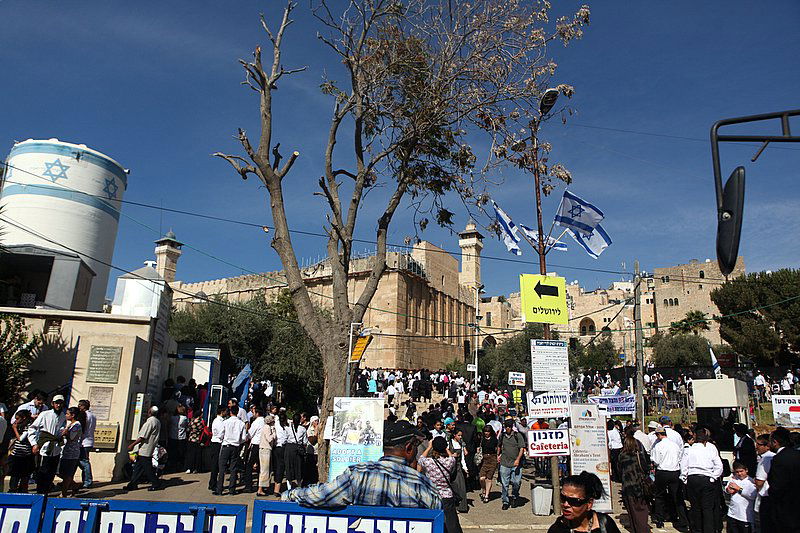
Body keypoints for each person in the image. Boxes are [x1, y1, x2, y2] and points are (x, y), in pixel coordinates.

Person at [283, 420, 440, 509]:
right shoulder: (423, 485)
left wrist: (290, 494)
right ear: (408, 448)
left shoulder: (358, 474)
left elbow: (322, 495)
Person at [548, 472, 622, 533]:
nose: (565, 504)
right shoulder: (557, 529)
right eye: (563, 498)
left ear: (589, 503)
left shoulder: (605, 524)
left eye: (573, 501)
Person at [681, 427, 724, 533]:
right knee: (707, 508)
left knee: (695, 507)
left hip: (693, 478)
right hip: (706, 479)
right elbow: (719, 465)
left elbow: (683, 465)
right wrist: (714, 477)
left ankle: (697, 529)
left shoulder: (689, 450)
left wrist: (685, 478)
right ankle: (708, 529)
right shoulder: (710, 449)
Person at [418, 436, 462, 533]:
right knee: (451, 522)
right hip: (447, 495)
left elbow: (421, 459)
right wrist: (446, 448)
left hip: (431, 495)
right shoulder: (450, 461)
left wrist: (429, 447)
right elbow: (451, 457)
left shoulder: (428, 462)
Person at [651, 426, 689, 530]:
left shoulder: (658, 446)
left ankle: (659, 519)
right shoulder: (675, 445)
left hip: (662, 471)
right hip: (675, 472)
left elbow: (656, 461)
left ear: (659, 435)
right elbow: (680, 457)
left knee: (659, 496)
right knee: (677, 496)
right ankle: (681, 519)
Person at [765, 427, 800, 532]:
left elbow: (777, 486)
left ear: (775, 442)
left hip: (786, 507)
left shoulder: (779, 459)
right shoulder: (796, 454)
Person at [30, 394, 66, 494]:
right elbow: (33, 428)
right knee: (43, 471)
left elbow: (60, 429)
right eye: (56, 403)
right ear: (52, 404)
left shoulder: (62, 416)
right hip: (45, 447)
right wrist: (34, 443)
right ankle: (40, 493)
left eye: (60, 403)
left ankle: (46, 493)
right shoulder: (45, 414)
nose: (58, 405)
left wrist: (62, 433)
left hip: (56, 448)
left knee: (51, 473)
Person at [617, 431, 651, 533]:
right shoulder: (638, 455)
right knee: (642, 510)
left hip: (627, 486)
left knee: (632, 511)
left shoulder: (621, 456)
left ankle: (636, 529)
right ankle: (643, 529)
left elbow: (619, 471)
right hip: (639, 485)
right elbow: (645, 468)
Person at [125, 406, 162, 491]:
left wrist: (132, 444)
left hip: (145, 448)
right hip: (148, 447)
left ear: (149, 412)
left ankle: (155, 482)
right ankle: (133, 484)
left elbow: (143, 436)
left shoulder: (150, 422)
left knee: (147, 467)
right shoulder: (157, 421)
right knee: (138, 467)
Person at [216, 404, 247, 495]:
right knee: (233, 468)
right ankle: (232, 489)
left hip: (226, 445)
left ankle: (219, 489)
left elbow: (221, 434)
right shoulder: (241, 423)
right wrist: (238, 441)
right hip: (235, 447)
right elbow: (244, 438)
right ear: (237, 412)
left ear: (230, 412)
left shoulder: (225, 422)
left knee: (222, 468)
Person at [497, 418, 525, 510]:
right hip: (505, 463)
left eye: (509, 427)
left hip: (516, 463)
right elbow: (499, 446)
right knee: (504, 484)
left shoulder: (518, 436)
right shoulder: (503, 436)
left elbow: (521, 448)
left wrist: (518, 459)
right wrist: (498, 455)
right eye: (506, 427)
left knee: (516, 482)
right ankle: (505, 501)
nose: (508, 429)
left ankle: (514, 496)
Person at [58, 406, 84, 497]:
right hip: (65, 451)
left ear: (73, 415)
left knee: (67, 473)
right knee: (61, 472)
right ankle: (74, 485)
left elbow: (72, 437)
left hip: (72, 452)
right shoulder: (70, 424)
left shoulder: (77, 425)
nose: (66, 415)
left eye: (68, 414)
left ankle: (64, 492)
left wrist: (66, 432)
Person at [7, 410, 35, 493]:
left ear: (24, 418)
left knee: (24, 475)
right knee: (14, 474)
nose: (16, 421)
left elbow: (21, 439)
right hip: (16, 454)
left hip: (24, 455)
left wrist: (15, 429)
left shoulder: (29, 426)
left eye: (18, 419)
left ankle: (22, 490)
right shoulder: (20, 426)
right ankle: (13, 489)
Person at [725, 461, 756, 533]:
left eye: (741, 471)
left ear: (746, 470)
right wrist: (728, 490)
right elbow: (727, 489)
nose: (739, 474)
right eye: (737, 472)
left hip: (745, 517)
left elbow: (752, 495)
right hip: (732, 514)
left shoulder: (750, 482)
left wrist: (739, 489)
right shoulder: (734, 479)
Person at [753, 433, 774, 532]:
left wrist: (755, 482)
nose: (756, 447)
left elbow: (759, 482)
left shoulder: (766, 459)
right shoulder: (774, 456)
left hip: (765, 495)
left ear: (767, 446)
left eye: (759, 444)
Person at [243, 407, 265, 492]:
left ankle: (248, 486)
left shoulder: (257, 422)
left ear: (257, 413)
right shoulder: (265, 421)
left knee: (249, 465)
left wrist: (246, 438)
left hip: (255, 444)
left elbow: (250, 433)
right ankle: (261, 486)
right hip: (263, 445)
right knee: (261, 466)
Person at [283, 412, 308, 489]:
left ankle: (289, 488)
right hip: (298, 449)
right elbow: (305, 441)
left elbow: (284, 440)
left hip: (289, 449)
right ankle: (299, 487)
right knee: (298, 468)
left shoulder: (287, 429)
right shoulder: (303, 429)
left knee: (289, 467)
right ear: (300, 420)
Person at [77, 399, 96, 489]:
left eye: (80, 405)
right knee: (84, 461)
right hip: (89, 441)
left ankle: (87, 480)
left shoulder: (84, 415)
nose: (78, 407)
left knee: (84, 462)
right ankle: (85, 480)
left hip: (84, 441)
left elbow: (83, 428)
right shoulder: (93, 415)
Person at [208, 406, 227, 491]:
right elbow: (220, 433)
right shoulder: (219, 421)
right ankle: (213, 483)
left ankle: (213, 482)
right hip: (217, 443)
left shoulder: (217, 420)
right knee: (215, 464)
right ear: (222, 412)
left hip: (216, 442)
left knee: (215, 464)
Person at [257, 414, 277, 497]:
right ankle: (260, 489)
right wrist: (274, 433)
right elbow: (270, 438)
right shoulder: (267, 428)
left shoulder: (265, 427)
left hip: (263, 449)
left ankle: (263, 487)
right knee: (265, 470)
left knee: (265, 470)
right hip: (265, 449)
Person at [478, 425, 498, 503]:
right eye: (485, 431)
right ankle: (484, 488)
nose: (487, 433)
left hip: (492, 458)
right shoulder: (482, 439)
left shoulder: (494, 439)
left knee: (489, 478)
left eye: (488, 431)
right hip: (484, 459)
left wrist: (498, 456)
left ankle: (486, 495)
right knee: (482, 478)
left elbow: (497, 448)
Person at [185, 409, 206, 474]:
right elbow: (202, 430)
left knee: (190, 454)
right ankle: (195, 468)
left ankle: (189, 467)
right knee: (197, 455)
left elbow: (188, 429)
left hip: (191, 439)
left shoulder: (192, 421)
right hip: (197, 439)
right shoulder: (200, 422)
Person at [169, 405, 188, 473]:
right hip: (182, 437)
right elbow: (186, 427)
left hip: (172, 437)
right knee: (181, 453)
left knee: (173, 453)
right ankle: (179, 466)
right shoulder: (185, 418)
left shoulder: (172, 418)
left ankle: (172, 466)